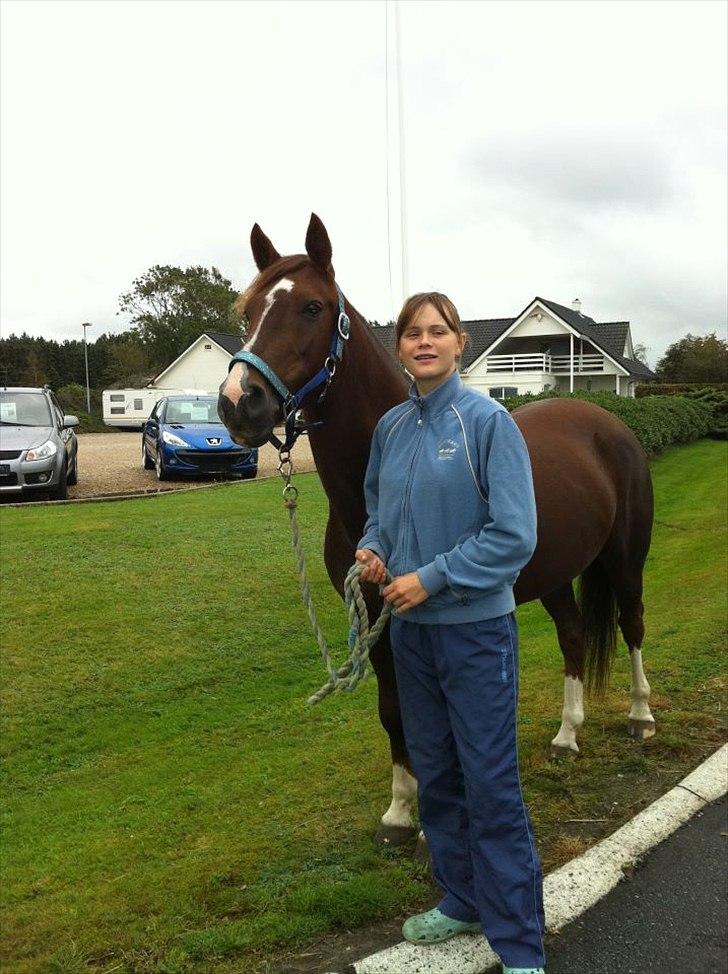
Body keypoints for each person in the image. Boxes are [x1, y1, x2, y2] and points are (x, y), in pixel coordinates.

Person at [355, 293, 546, 974]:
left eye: (438, 331)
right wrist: (373, 551)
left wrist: (431, 577)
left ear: (461, 343)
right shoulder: (392, 428)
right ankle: (463, 897)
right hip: (412, 638)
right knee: (436, 777)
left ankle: (521, 942)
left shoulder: (488, 423)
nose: (425, 341)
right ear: (399, 346)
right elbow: (380, 512)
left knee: (490, 783)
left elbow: (514, 536)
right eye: (413, 333)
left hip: (475, 635)